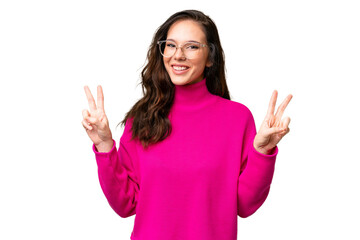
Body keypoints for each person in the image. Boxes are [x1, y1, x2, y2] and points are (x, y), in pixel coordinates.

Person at [82, 9, 292, 240]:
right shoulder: (141, 118)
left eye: (191, 46)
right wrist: (104, 145)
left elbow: (245, 205)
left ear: (210, 57)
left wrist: (262, 151)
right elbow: (125, 204)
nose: (178, 55)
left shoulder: (237, 119)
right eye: (170, 45)